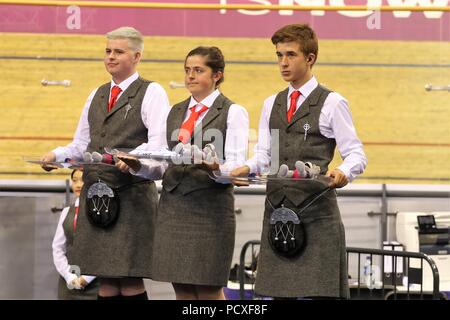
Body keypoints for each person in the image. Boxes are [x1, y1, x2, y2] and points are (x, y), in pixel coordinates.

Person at [231, 24, 367, 299]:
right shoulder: (272, 103)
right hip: (277, 212)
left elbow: (356, 154)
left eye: (290, 55)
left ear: (310, 58)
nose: (283, 62)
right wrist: (247, 167)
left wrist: (343, 172)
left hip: (317, 215)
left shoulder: (332, 102)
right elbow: (265, 155)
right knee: (278, 295)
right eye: (279, 55)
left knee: (320, 295)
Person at [40, 26, 170, 300]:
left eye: (118, 52)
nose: (110, 57)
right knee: (108, 283)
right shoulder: (96, 94)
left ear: (136, 56)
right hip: (95, 196)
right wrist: (56, 156)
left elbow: (160, 146)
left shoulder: (152, 92)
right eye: (108, 51)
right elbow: (80, 146)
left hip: (131, 197)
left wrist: (136, 159)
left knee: (129, 281)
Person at [124, 46, 249, 300]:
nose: (190, 76)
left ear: (217, 75)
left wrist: (214, 167)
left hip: (209, 211)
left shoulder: (233, 112)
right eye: (187, 70)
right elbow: (162, 166)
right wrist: (137, 165)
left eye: (198, 70)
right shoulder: (175, 112)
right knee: (181, 287)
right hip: (173, 210)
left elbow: (236, 167)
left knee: (207, 289)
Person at [52, 169, 99, 300]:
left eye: (83, 180)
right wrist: (68, 275)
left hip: (97, 282)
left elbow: (106, 248)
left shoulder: (103, 211)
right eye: (74, 180)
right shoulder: (67, 211)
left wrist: (88, 277)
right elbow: (58, 248)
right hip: (69, 283)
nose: (78, 185)